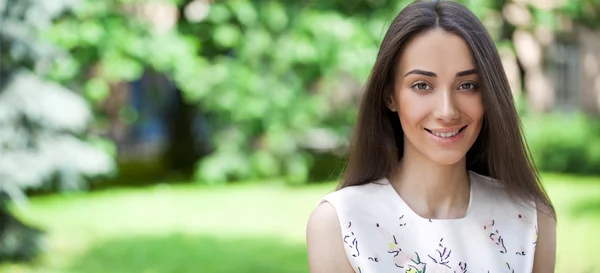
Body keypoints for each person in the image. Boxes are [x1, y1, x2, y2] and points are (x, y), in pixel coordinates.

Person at [306, 0, 557, 272]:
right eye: (422, 85)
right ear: (390, 95)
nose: (447, 111)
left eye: (467, 85)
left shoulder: (530, 219)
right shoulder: (340, 224)